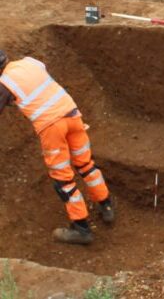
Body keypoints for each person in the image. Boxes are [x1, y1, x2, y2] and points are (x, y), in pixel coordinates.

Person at [0, 50, 115, 245]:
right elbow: (35, 86)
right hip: (72, 115)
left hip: (52, 127)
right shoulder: (30, 62)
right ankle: (107, 206)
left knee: (63, 180)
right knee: (85, 164)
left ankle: (81, 229)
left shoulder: (4, 84)